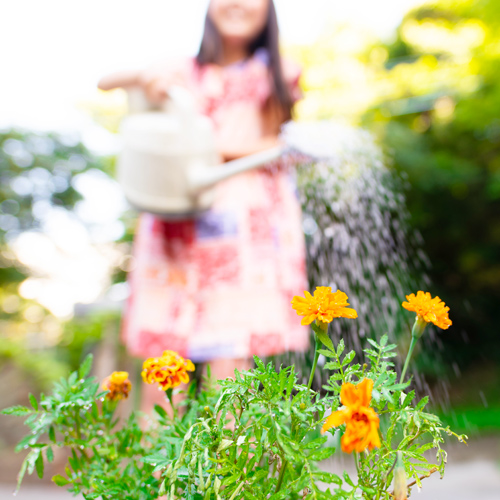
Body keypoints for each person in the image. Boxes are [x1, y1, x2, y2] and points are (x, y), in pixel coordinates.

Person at [98, 0, 309, 401]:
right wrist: (146, 76)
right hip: (174, 219)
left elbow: (278, 142)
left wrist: (206, 147)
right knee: (164, 359)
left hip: (244, 224)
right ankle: (156, 464)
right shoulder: (182, 69)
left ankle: (230, 463)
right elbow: (105, 82)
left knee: (230, 362)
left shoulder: (279, 72)